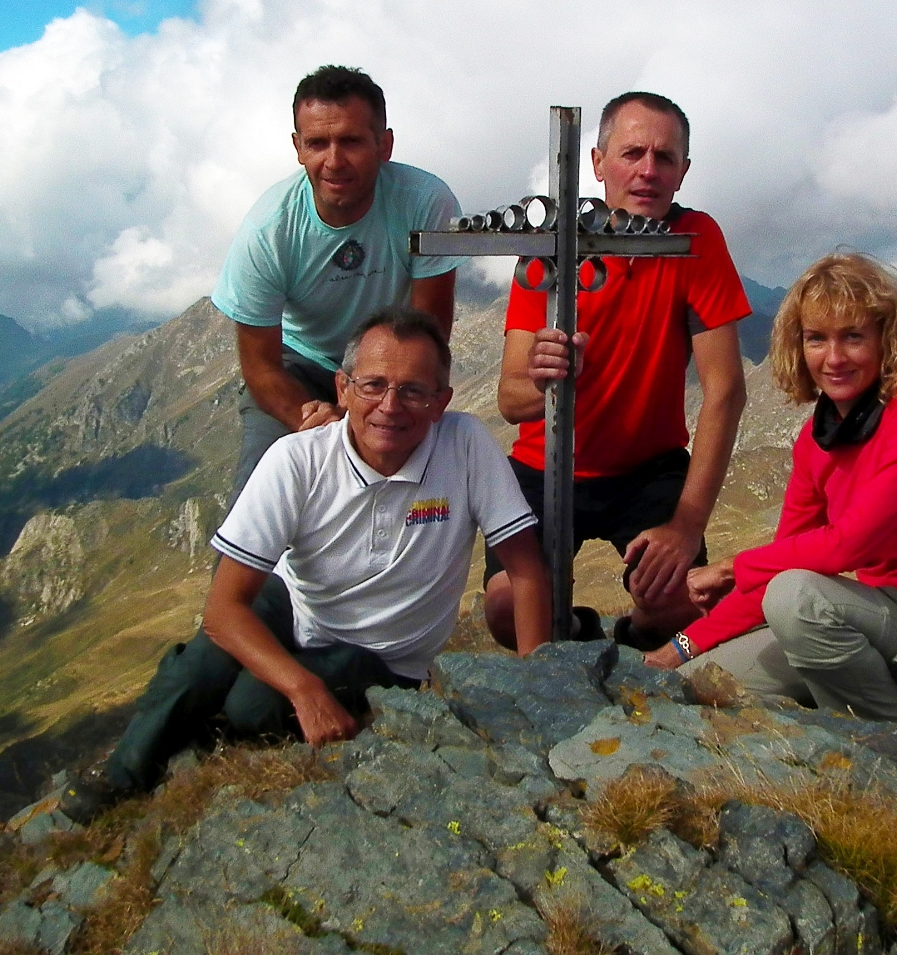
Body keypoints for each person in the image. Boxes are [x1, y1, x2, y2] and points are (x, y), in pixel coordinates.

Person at [64, 307, 550, 816]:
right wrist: (304, 687)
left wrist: (536, 689)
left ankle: (223, 726)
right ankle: (123, 778)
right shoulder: (297, 459)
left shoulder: (466, 445)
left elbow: (525, 571)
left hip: (385, 658)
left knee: (251, 704)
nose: (390, 406)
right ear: (342, 389)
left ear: (440, 402)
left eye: (412, 390)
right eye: (372, 384)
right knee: (207, 658)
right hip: (299, 609)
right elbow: (224, 609)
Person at [643, 252, 897, 729]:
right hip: (877, 636)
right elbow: (781, 564)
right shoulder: (817, 440)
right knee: (700, 684)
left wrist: (733, 567)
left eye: (853, 336)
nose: (833, 358)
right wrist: (679, 648)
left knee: (794, 597)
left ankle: (892, 747)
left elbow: (850, 544)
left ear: (887, 338)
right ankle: (862, 717)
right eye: (817, 338)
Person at [485, 92, 750, 651]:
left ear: (683, 172)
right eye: (632, 153)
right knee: (509, 608)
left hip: (646, 470)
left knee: (683, 605)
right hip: (543, 463)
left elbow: (725, 390)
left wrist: (686, 526)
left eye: (665, 157)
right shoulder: (547, 245)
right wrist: (550, 383)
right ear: (598, 162)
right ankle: (579, 636)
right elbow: (512, 401)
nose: (648, 170)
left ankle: (634, 640)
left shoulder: (695, 241)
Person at [212, 66, 463, 502]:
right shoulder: (268, 229)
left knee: (426, 487)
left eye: (350, 141)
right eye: (316, 143)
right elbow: (260, 366)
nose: (333, 160)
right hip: (300, 364)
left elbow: (430, 330)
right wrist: (312, 417)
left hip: (392, 360)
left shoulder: (425, 202)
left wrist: (379, 397)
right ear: (297, 148)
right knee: (260, 495)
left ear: (384, 145)